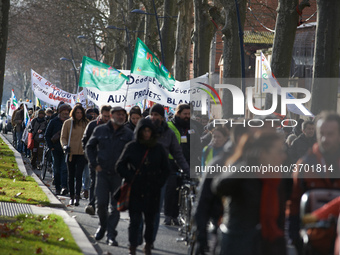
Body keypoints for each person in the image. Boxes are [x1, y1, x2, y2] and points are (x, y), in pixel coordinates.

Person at [211, 131, 287, 255]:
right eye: (279, 152)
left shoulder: (276, 179)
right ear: (262, 154)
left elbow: (279, 220)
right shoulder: (245, 174)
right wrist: (247, 165)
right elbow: (219, 186)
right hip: (238, 245)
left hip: (266, 245)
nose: (283, 156)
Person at [288, 112, 340, 255]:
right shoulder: (304, 164)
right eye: (321, 134)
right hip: (314, 241)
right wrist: (295, 238)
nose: (325, 139)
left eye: (330, 134)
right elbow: (294, 203)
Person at [116, 118, 169, 255]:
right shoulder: (132, 146)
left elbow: (166, 169)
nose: (146, 133)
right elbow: (120, 165)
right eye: (144, 130)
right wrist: (131, 177)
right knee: (135, 220)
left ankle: (148, 244)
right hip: (136, 189)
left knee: (150, 221)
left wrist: (159, 182)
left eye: (149, 130)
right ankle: (132, 246)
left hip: (153, 190)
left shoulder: (158, 148)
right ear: (139, 132)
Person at [85, 106, 133, 246]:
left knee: (115, 206)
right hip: (102, 174)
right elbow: (89, 147)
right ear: (111, 115)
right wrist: (94, 164)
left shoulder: (128, 134)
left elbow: (134, 151)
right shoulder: (100, 130)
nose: (121, 117)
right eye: (118, 114)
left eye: (123, 115)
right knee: (101, 204)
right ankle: (103, 225)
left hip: (119, 176)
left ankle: (111, 234)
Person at [164, 103, 202, 226]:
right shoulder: (169, 126)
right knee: (171, 189)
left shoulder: (194, 127)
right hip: (172, 163)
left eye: (189, 114)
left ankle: (180, 214)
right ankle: (169, 215)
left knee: (188, 188)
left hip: (189, 163)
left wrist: (197, 159)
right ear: (178, 113)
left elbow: (197, 145)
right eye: (185, 114)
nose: (187, 116)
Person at [82, 104, 112, 215]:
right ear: (100, 114)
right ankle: (92, 204)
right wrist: (89, 157)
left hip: (108, 161)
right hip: (94, 160)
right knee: (94, 182)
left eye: (109, 116)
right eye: (105, 116)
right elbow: (85, 141)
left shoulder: (113, 127)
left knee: (107, 185)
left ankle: (103, 207)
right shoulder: (92, 125)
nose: (107, 119)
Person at [60, 105, 89, 206]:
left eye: (81, 113)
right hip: (71, 153)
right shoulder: (68, 123)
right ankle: (71, 196)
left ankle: (77, 196)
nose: (79, 115)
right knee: (71, 175)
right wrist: (64, 146)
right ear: (74, 113)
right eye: (77, 113)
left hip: (82, 153)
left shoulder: (86, 123)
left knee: (79, 175)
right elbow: (63, 137)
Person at [45, 103, 72, 196]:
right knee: (56, 169)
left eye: (67, 111)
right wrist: (51, 146)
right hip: (55, 149)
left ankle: (64, 187)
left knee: (65, 169)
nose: (66, 112)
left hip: (67, 150)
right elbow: (47, 135)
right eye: (64, 111)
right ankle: (57, 187)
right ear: (60, 112)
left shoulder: (70, 122)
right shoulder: (53, 121)